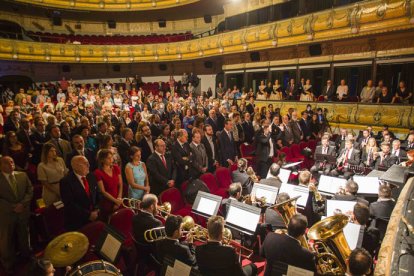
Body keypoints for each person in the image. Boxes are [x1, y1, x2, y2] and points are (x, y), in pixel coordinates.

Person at [0, 156, 33, 274]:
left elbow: (30, 190)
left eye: (12, 162)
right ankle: (8, 265)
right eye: (6, 163)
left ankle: (26, 258)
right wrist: (12, 207)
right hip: (6, 215)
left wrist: (22, 204)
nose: (10, 164)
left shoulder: (22, 175)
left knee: (24, 236)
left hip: (22, 212)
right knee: (7, 241)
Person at [60, 156, 100, 231]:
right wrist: (88, 215)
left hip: (95, 216)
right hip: (78, 221)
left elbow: (97, 195)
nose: (89, 165)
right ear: (76, 166)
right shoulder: (66, 182)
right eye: (85, 163)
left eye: (88, 163)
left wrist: (97, 209)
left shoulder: (91, 176)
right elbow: (70, 204)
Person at [94, 149, 123, 222]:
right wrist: (115, 201)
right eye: (108, 158)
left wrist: (119, 198)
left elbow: (121, 184)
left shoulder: (116, 167)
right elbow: (103, 191)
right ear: (102, 160)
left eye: (112, 157)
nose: (111, 160)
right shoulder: (98, 172)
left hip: (118, 198)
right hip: (107, 201)